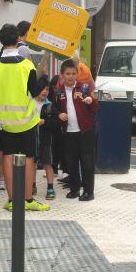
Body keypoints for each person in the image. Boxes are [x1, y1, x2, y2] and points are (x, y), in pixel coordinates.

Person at [0, 23, 50, 212]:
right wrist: (43, 77)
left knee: (8, 157)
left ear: (1, 41)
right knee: (29, 158)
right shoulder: (27, 65)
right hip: (26, 121)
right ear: (17, 40)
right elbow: (34, 92)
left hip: (5, 123)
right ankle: (28, 200)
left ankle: (12, 200)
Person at [57, 59, 99, 201]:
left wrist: (90, 101)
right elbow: (54, 109)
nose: (71, 76)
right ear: (62, 74)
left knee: (87, 162)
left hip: (86, 130)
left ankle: (88, 192)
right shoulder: (59, 90)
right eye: (68, 73)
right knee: (71, 162)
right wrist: (59, 114)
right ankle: (74, 189)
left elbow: (96, 107)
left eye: (73, 73)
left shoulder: (85, 88)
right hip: (68, 132)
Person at [34, 77, 59, 200]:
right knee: (31, 164)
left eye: (47, 89)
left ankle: (50, 188)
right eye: (42, 89)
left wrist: (45, 122)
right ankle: (32, 185)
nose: (45, 91)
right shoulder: (30, 103)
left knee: (48, 164)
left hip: (46, 140)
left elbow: (55, 124)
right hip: (32, 140)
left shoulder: (50, 105)